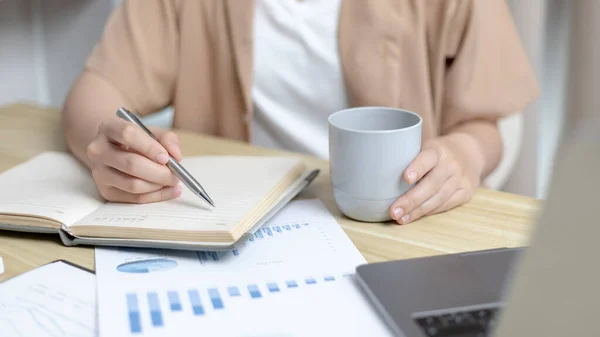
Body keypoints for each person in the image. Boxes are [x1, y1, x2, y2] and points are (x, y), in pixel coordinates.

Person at [62, 0, 538, 225]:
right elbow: (99, 87)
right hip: (236, 224)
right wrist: (112, 150)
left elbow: (484, 121)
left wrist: (466, 154)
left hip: (400, 225)